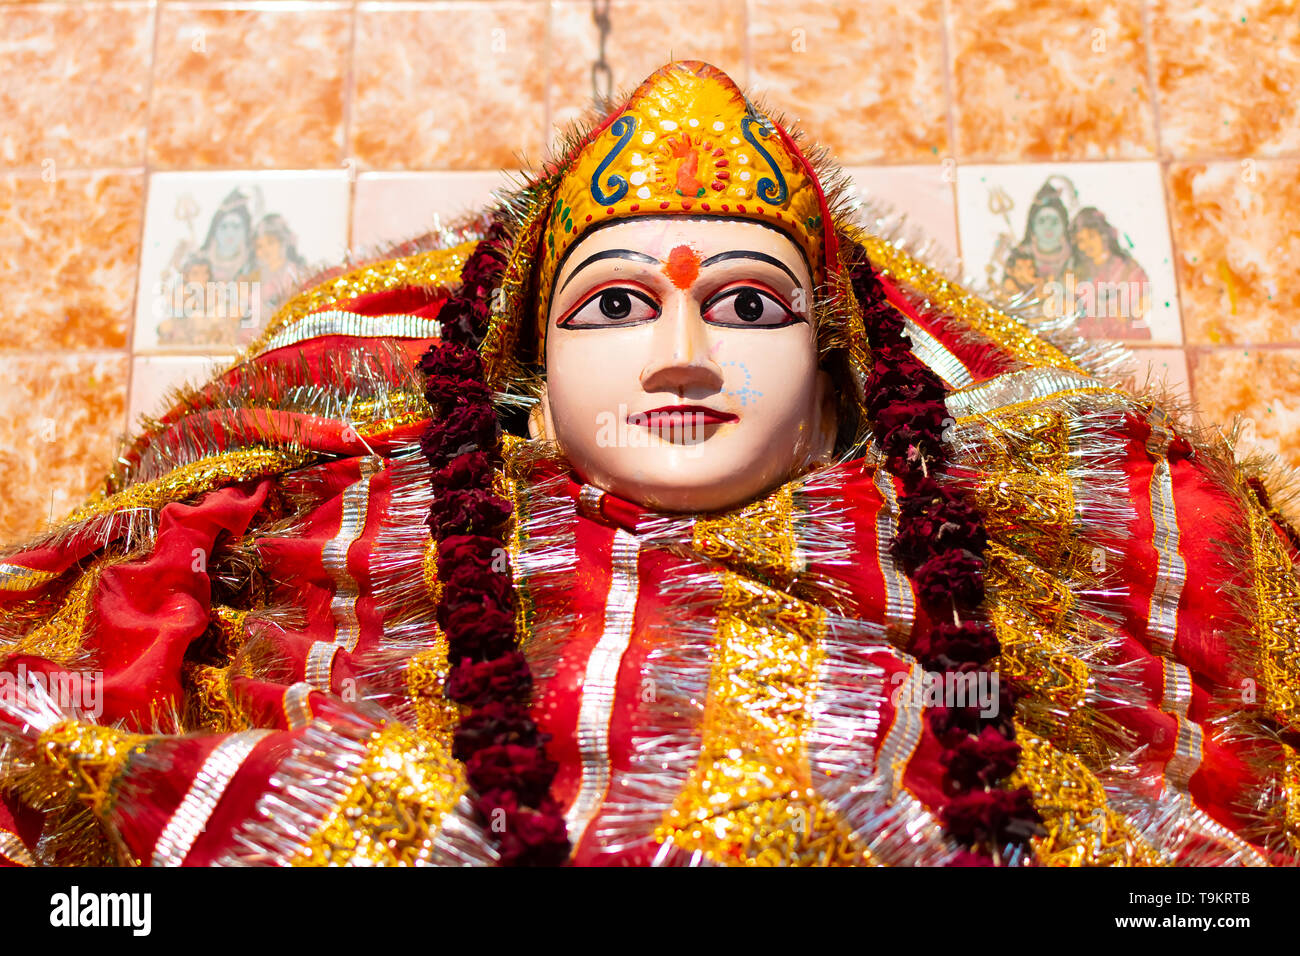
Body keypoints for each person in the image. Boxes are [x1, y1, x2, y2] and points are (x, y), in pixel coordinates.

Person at [1, 60, 1297, 868]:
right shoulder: (338, 550)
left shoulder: (1019, 581)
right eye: (615, 308)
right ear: (530, 386)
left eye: (746, 307)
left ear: (843, 386)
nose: (681, 355)